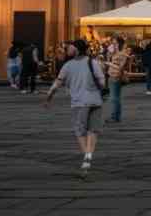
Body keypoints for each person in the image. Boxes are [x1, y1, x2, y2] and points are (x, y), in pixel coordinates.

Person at [44, 39, 106, 178]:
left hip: (79, 103)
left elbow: (57, 84)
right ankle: (89, 156)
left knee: (80, 131)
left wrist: (48, 98)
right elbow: (102, 82)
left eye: (69, 47)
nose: (67, 49)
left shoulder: (68, 66)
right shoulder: (93, 62)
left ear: (76, 49)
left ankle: (86, 157)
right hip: (96, 101)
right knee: (93, 130)